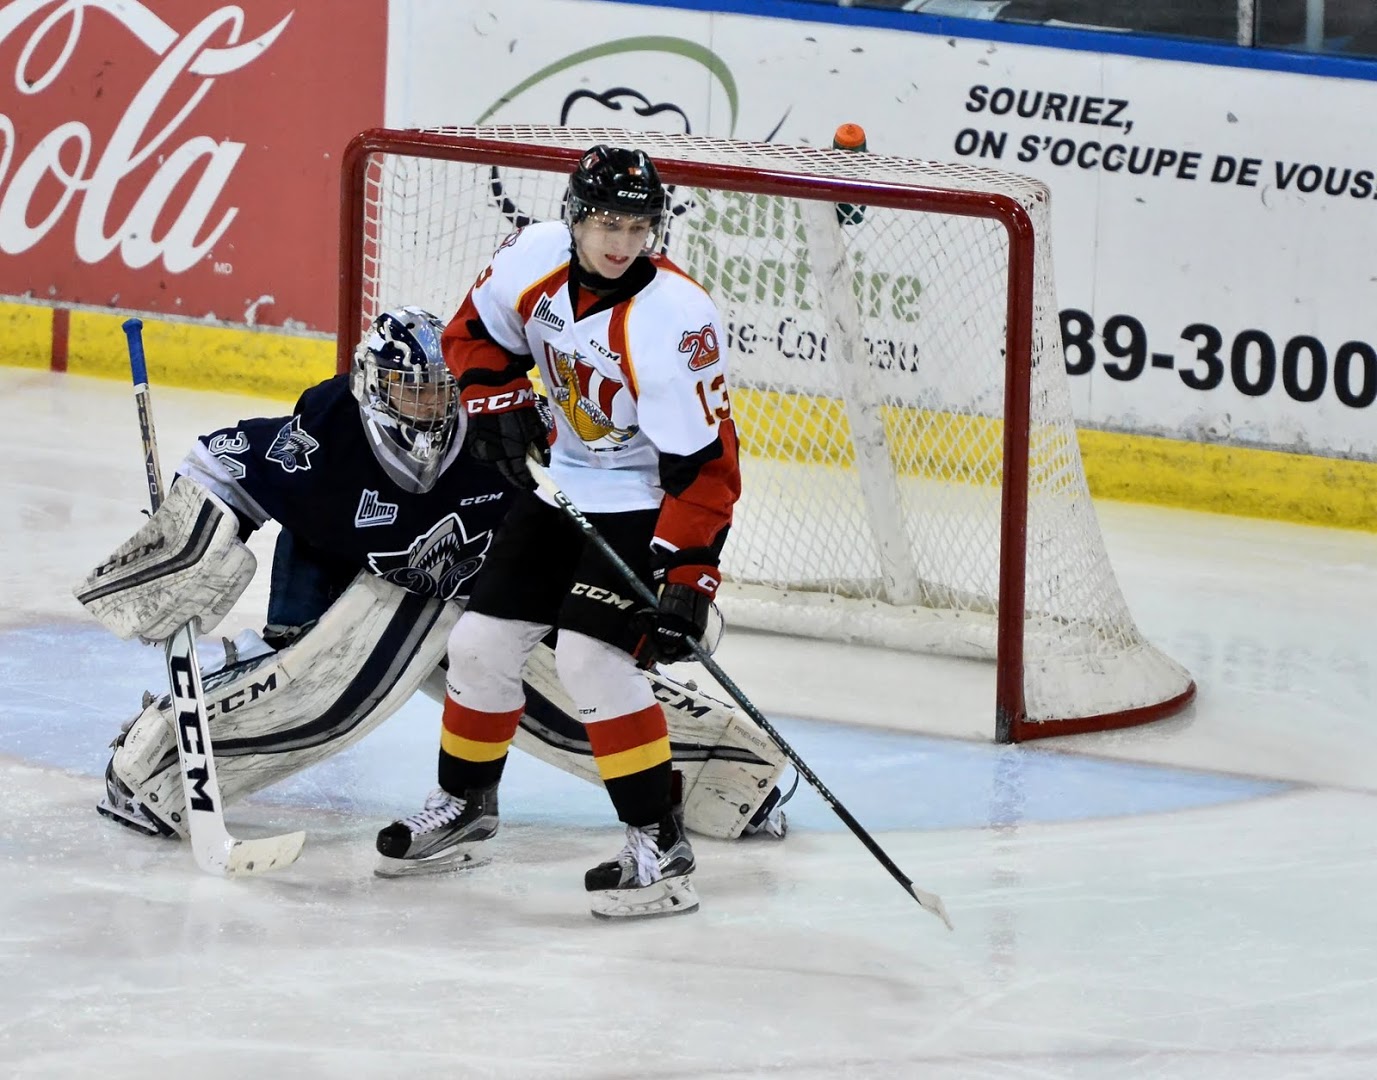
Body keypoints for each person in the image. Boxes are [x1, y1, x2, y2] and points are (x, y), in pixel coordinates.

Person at [74, 306, 787, 848]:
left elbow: (601, 504)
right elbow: (218, 461)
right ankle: (157, 760)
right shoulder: (327, 435)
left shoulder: (505, 435)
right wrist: (191, 539)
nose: (429, 405)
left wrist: (652, 590)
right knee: (315, 683)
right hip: (338, 573)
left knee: (552, 687)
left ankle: (722, 771)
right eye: (408, 390)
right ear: (371, 387)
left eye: (439, 390)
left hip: (471, 603)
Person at [375, 146, 742, 920]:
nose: (621, 241)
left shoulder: (676, 319)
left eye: (639, 226)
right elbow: (474, 333)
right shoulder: (533, 256)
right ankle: (467, 804)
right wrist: (495, 401)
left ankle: (658, 841)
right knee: (477, 645)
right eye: (607, 222)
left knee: (589, 656)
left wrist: (689, 576)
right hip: (563, 485)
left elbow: (704, 466)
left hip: (645, 499)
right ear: (574, 217)